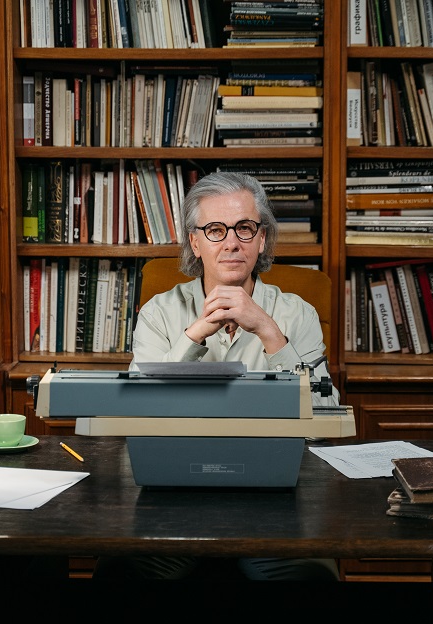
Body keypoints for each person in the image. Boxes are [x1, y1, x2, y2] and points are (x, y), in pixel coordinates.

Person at [92, 171, 340, 581]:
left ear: (261, 239)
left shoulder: (298, 314)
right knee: (123, 571)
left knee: (309, 576)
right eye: (214, 229)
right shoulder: (158, 313)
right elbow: (134, 413)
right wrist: (195, 334)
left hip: (273, 496)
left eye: (244, 228)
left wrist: (269, 332)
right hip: (174, 493)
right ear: (195, 241)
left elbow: (325, 420)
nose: (231, 242)